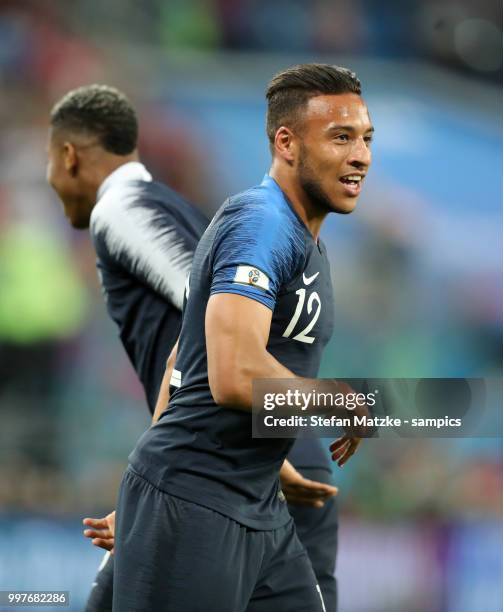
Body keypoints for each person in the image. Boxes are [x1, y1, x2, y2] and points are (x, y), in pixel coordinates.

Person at [46, 83, 343, 612]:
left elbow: (207, 312)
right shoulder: (190, 209)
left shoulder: (122, 210)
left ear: (68, 156)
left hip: (235, 458)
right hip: (233, 457)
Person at [112, 63, 373, 611]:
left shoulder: (304, 238)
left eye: (366, 138)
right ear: (287, 142)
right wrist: (336, 400)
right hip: (197, 502)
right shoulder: (262, 224)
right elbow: (233, 376)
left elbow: (188, 359)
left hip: (254, 504)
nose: (361, 156)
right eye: (341, 137)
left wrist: (271, 462)